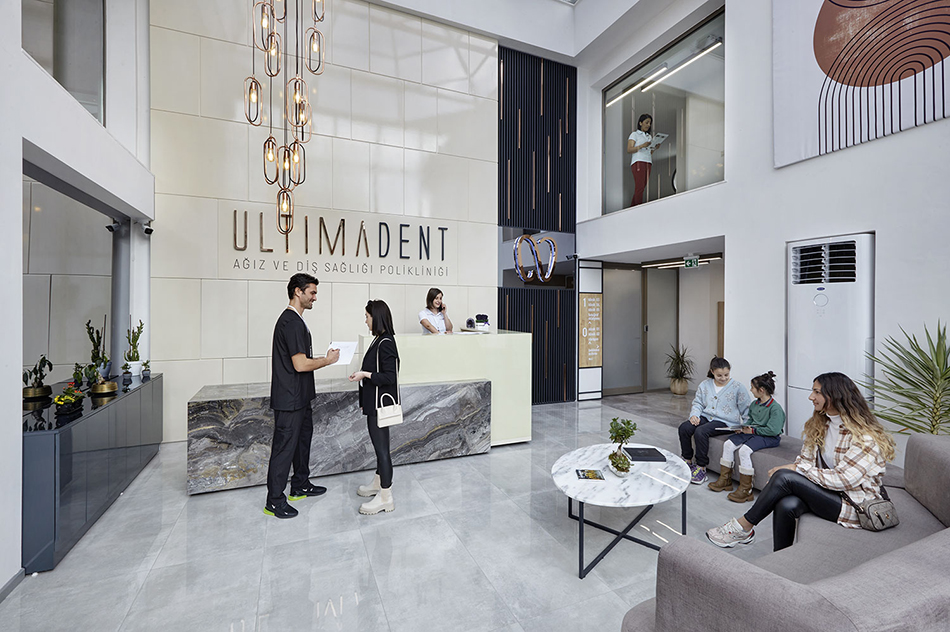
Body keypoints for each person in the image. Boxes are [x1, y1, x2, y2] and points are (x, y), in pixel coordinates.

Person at [706, 372, 895, 550]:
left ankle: (743, 527)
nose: (811, 397)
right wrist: (796, 469)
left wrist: (796, 470)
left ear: (835, 395)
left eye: (817, 392)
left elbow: (844, 480)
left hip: (854, 504)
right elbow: (805, 461)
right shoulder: (820, 425)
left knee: (785, 476)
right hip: (826, 490)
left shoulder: (864, 437)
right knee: (786, 504)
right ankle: (781, 558)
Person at [263, 274, 340, 519]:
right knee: (284, 449)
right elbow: (300, 364)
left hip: (300, 397)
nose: (315, 298)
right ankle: (274, 501)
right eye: (312, 292)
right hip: (290, 399)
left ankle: (300, 484)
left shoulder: (297, 321)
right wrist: (327, 360)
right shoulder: (291, 322)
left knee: (301, 443)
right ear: (298, 291)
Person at [349, 300, 399, 515]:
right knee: (380, 449)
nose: (365, 321)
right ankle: (379, 482)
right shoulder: (379, 340)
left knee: (382, 450)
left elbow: (389, 376)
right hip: (374, 404)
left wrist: (365, 374)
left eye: (367, 317)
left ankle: (386, 497)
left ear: (376, 317)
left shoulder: (385, 342)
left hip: (379, 406)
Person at [707, 371, 786, 502]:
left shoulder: (775, 409)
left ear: (761, 390)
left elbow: (773, 430)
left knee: (744, 450)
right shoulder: (755, 404)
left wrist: (752, 431)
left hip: (769, 437)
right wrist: (742, 428)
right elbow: (750, 420)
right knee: (728, 444)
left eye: (752, 387)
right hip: (753, 432)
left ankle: (746, 489)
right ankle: (725, 480)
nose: (751, 390)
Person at [679, 357, 752, 485]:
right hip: (706, 417)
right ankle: (687, 460)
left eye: (726, 375)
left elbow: (746, 408)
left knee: (701, 432)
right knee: (684, 428)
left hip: (725, 422)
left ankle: (701, 467)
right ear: (712, 371)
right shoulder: (705, 385)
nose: (723, 378)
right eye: (719, 375)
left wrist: (744, 426)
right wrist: (694, 415)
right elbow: (698, 403)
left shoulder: (738, 387)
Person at [626, 113, 656, 207]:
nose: (648, 125)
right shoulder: (634, 134)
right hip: (638, 161)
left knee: (642, 187)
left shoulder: (649, 136)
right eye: (646, 122)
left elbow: (649, 152)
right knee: (639, 187)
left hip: (648, 162)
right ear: (640, 123)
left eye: (650, 123)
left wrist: (655, 147)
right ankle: (638, 207)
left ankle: (633, 207)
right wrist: (642, 146)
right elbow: (629, 149)